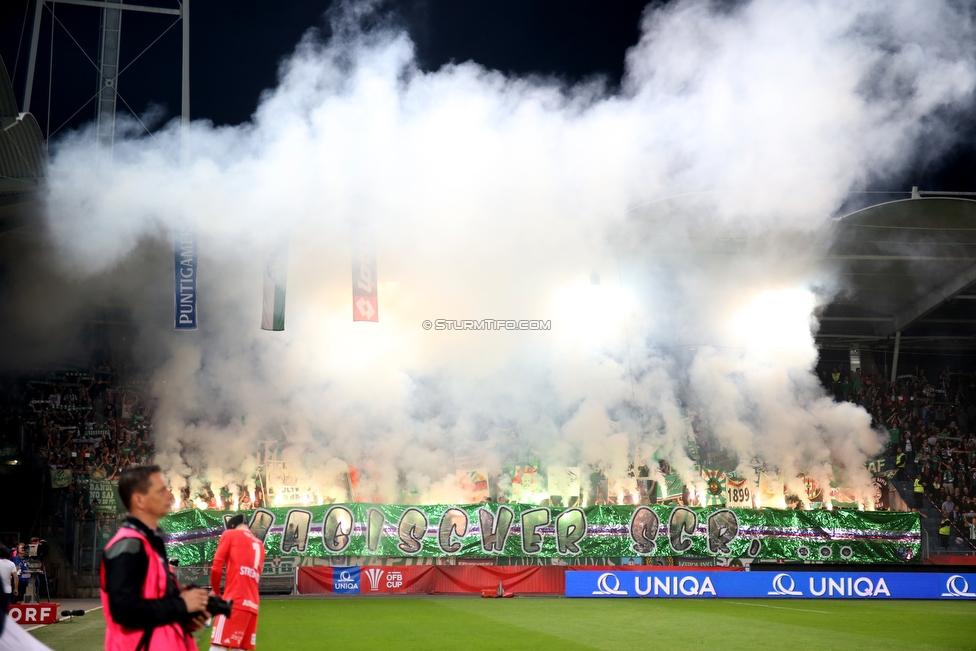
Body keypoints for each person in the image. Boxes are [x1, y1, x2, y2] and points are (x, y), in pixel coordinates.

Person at [100, 465, 210, 651]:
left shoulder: (150, 542)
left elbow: (157, 607)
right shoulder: (128, 546)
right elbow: (124, 610)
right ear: (139, 500)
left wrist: (185, 618)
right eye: (161, 490)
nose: (169, 495)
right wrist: (181, 605)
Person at [209, 513, 265, 651]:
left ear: (232, 527)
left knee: (218, 645)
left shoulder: (230, 535)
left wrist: (216, 592)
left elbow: (216, 568)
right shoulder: (260, 545)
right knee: (239, 648)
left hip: (234, 600)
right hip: (252, 605)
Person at [0, 546, 16, 612]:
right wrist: (16, 589)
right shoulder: (11, 564)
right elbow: (16, 577)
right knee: (5, 610)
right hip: (7, 590)